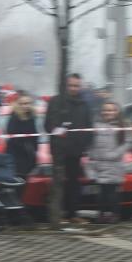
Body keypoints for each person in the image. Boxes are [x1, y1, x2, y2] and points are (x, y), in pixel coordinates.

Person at [44, 73, 93, 226]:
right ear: (65, 85)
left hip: (76, 151)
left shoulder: (84, 104)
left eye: (76, 86)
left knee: (74, 183)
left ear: (80, 87)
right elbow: (48, 125)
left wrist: (84, 144)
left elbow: (88, 127)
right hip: (59, 150)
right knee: (59, 183)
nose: (73, 88)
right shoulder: (56, 101)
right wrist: (59, 133)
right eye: (71, 85)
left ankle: (73, 214)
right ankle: (58, 214)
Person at [88, 101, 130, 224]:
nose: (107, 112)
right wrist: (92, 155)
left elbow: (127, 143)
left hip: (114, 164)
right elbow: (90, 143)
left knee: (111, 191)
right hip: (99, 164)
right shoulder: (96, 126)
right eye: (105, 110)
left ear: (117, 112)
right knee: (101, 192)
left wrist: (114, 155)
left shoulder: (123, 126)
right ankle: (102, 214)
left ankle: (114, 214)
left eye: (111, 110)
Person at [6, 91, 38, 180]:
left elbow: (35, 135)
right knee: (19, 180)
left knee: (25, 180)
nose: (26, 106)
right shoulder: (14, 117)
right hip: (17, 155)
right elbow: (12, 135)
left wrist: (34, 149)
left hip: (29, 154)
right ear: (18, 104)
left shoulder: (32, 116)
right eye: (23, 104)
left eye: (28, 103)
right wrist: (26, 146)